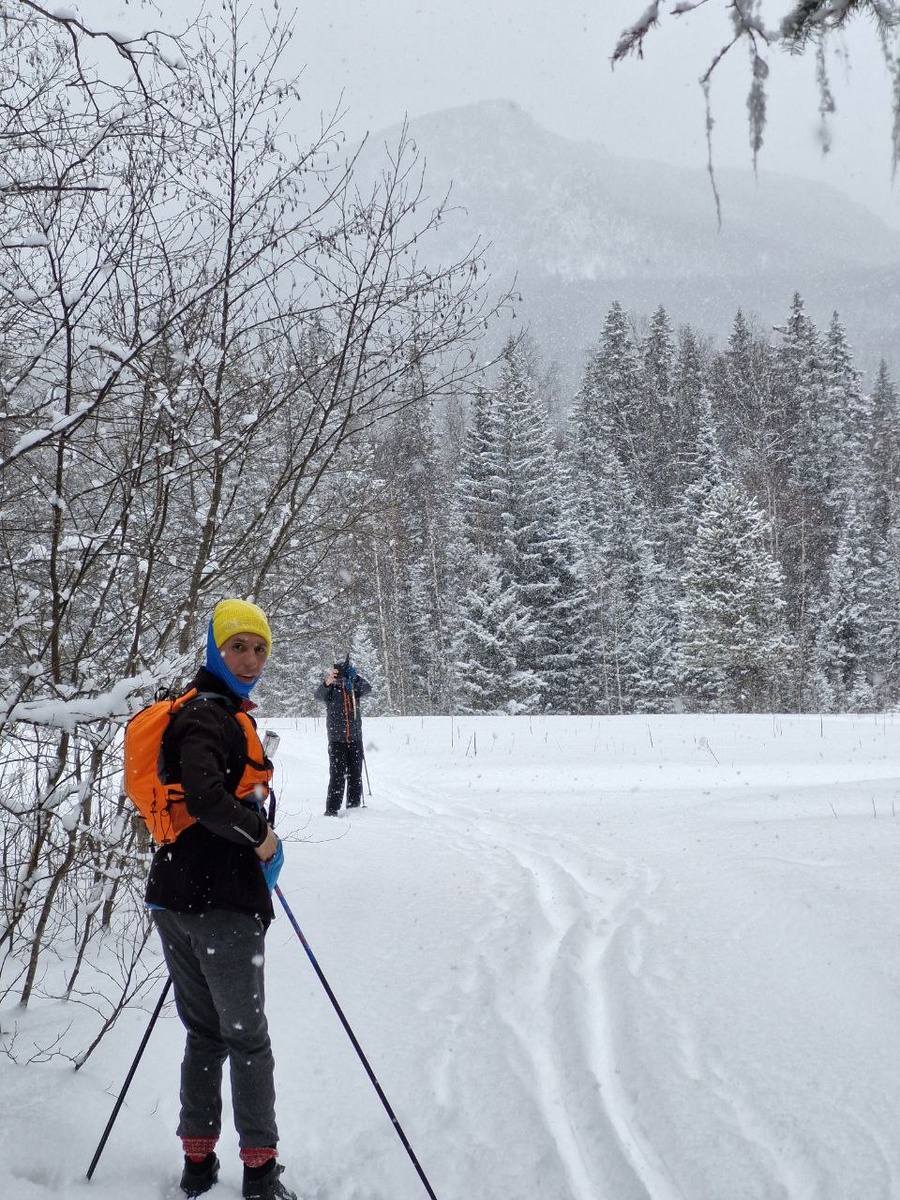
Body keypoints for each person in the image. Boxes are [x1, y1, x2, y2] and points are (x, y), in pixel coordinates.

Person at [145, 598, 297, 1200]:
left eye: (260, 648)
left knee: (206, 1034)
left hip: (175, 899)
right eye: (239, 646)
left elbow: (203, 796)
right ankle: (259, 1173)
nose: (251, 659)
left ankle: (197, 1164)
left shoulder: (203, 710)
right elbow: (207, 800)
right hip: (220, 908)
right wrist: (261, 839)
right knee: (246, 1039)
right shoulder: (208, 717)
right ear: (215, 648)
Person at [314, 656, 371, 815]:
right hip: (337, 740)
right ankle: (331, 811)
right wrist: (327, 682)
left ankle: (354, 808)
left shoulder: (353, 685)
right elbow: (318, 695)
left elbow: (367, 688)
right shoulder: (331, 688)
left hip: (355, 738)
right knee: (337, 777)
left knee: (355, 775)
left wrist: (356, 678)